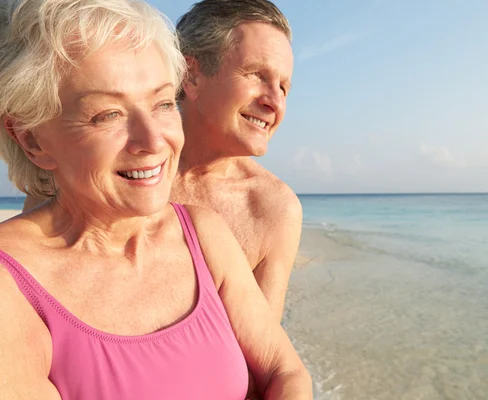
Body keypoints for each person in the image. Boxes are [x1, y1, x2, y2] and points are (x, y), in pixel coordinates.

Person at [0, 0, 312, 399]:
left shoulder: (236, 219)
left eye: (161, 103)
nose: (276, 101)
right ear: (191, 76)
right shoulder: (27, 258)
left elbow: (267, 370)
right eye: (107, 114)